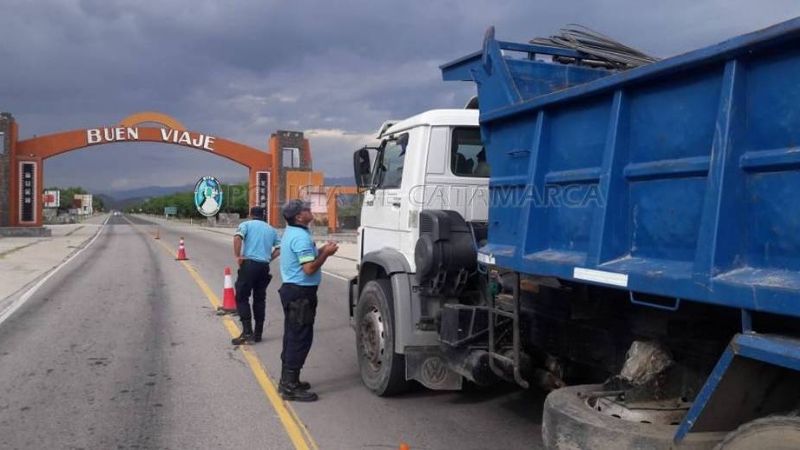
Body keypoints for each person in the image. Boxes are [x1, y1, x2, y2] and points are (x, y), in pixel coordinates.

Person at [278, 199, 338, 402]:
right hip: (300, 293)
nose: (309, 211)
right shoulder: (301, 238)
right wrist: (327, 255)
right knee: (299, 338)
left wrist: (321, 251)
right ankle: (290, 386)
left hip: (294, 291)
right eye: (306, 209)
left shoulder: (295, 233)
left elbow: (307, 261)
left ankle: (287, 380)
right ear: (298, 216)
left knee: (292, 335)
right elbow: (309, 268)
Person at [231, 206, 280, 345]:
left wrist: (238, 256)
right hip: (264, 267)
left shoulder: (245, 224)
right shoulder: (271, 229)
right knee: (259, 299)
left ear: (250, 215)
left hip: (249, 264)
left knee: (241, 297)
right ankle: (258, 334)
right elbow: (279, 248)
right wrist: (269, 258)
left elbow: (237, 238)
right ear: (263, 216)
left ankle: (247, 332)